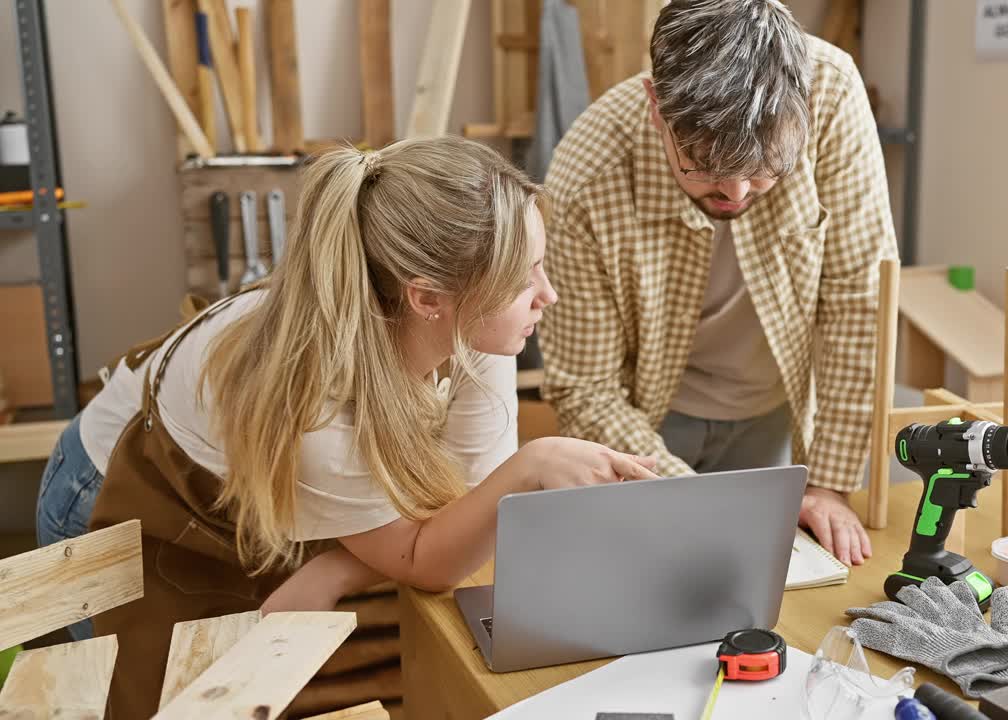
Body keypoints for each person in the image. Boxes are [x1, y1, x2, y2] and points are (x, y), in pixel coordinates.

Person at [34, 137, 656, 716]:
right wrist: (535, 463)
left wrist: (338, 568)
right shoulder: (315, 400)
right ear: (428, 298)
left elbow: (459, 498)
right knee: (161, 698)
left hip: (252, 496)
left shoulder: (471, 323)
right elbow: (426, 555)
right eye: (525, 280)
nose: (547, 295)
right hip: (109, 493)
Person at [539, 0, 898, 566]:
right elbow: (587, 388)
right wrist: (693, 500)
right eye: (704, 166)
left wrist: (829, 482)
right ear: (658, 107)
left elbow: (860, 300)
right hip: (647, 421)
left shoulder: (830, 91)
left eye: (762, 169)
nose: (734, 193)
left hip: (777, 409)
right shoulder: (586, 176)